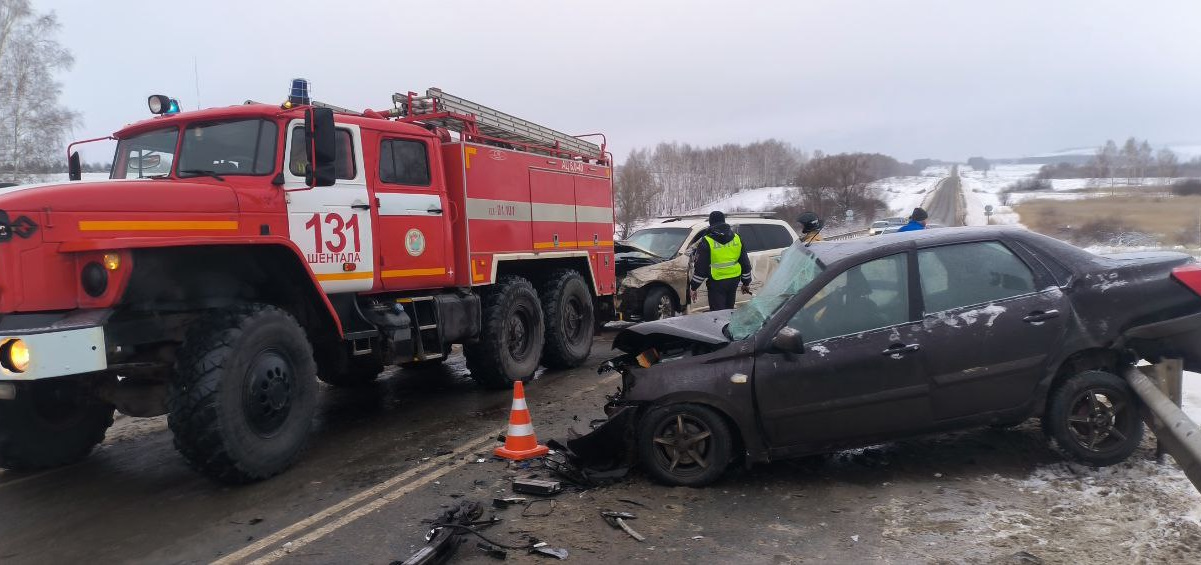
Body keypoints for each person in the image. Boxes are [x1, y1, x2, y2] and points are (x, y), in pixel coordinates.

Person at [690, 211, 752, 311]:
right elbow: (745, 263)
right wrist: (746, 283)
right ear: (724, 221)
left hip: (716, 281)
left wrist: (694, 287)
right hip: (734, 279)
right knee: (729, 310)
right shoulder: (737, 238)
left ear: (710, 222)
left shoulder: (707, 240)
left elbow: (701, 268)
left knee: (717, 313)